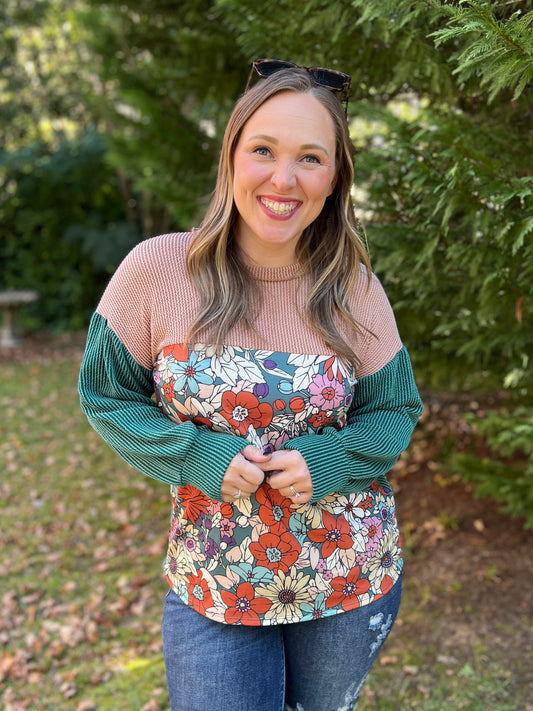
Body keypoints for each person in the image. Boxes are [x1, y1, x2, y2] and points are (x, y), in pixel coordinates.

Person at [79, 59, 423, 711]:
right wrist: (195, 455)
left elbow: (394, 410)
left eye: (310, 158)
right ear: (232, 154)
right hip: (212, 583)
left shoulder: (353, 288)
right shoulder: (156, 270)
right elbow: (106, 394)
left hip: (346, 583)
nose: (283, 178)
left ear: (334, 178)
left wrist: (326, 461)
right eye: (263, 149)